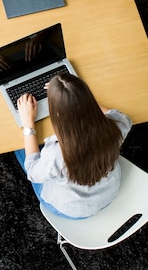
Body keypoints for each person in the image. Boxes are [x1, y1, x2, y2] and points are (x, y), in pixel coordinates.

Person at [15, 72, 132, 219]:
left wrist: (28, 123)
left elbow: (32, 172)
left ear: (58, 113)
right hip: (109, 193)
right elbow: (122, 116)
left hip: (73, 210)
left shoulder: (56, 154)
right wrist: (74, 98)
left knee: (19, 145)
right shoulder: (115, 127)